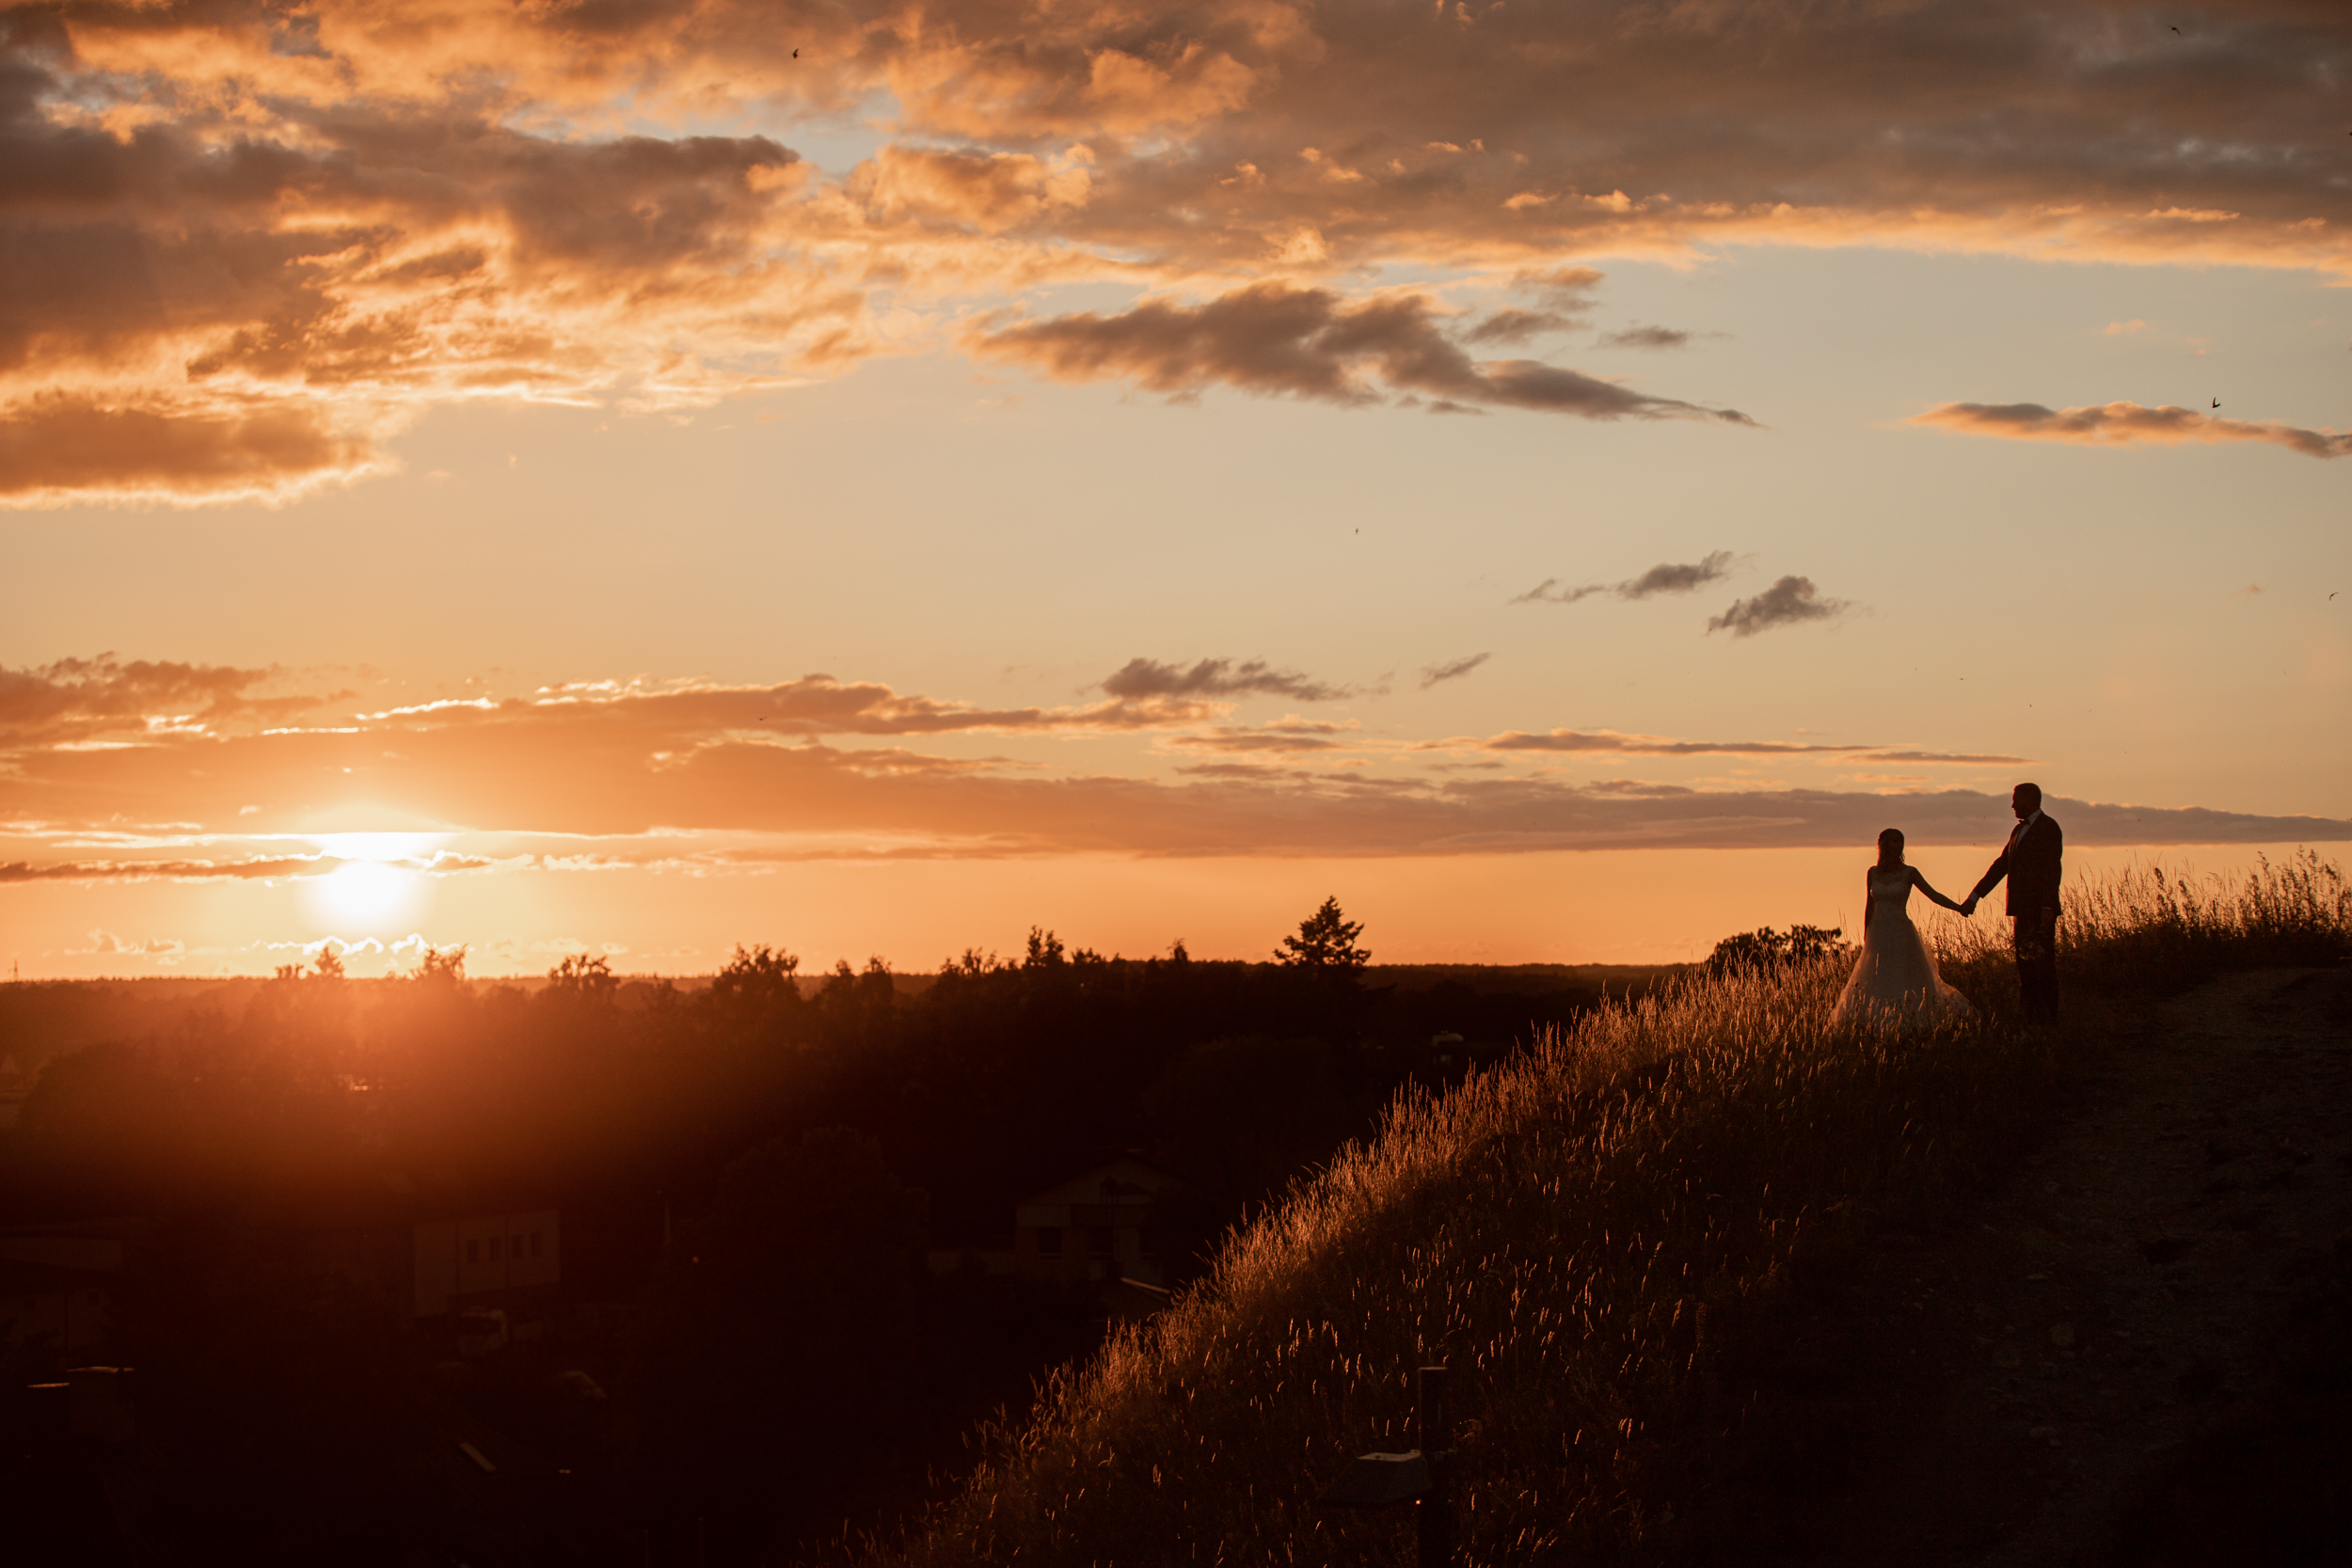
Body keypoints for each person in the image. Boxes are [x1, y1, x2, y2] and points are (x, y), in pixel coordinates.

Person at [1832, 828, 1976, 1029]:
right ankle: (1878, 1024)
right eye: (1894, 841)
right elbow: (1869, 906)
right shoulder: (1872, 873)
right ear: (1884, 844)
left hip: (1901, 933)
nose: (1899, 845)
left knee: (1904, 979)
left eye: (1901, 841)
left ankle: (1909, 1024)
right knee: (1878, 980)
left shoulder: (1910, 872)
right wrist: (1867, 937)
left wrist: (1959, 907)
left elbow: (1933, 895)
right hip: (1878, 933)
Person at [1962, 782, 2063, 1024]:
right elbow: (2001, 865)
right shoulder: (2017, 832)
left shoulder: (2048, 828)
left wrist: (2047, 908)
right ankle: (2030, 1018)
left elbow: (2052, 869)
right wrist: (1975, 896)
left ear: (2031, 799)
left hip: (2040, 911)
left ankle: (2049, 1020)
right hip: (2020, 909)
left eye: (2016, 799)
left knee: (2043, 966)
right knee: (2024, 967)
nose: (2012, 804)